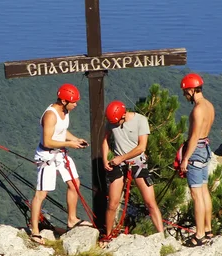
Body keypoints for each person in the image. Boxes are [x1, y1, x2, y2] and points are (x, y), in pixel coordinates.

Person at [29, 83, 91, 245]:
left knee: (74, 183)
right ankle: (34, 230)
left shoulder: (65, 111)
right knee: (41, 194)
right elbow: (48, 141)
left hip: (60, 153)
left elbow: (61, 130)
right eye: (73, 102)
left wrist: (74, 139)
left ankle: (72, 219)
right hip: (47, 155)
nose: (76, 104)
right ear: (63, 101)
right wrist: (70, 144)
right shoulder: (51, 115)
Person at [101, 100, 164, 240]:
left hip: (137, 163)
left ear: (124, 115)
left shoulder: (140, 120)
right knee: (112, 203)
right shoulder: (112, 120)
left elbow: (142, 147)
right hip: (119, 164)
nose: (115, 125)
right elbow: (105, 139)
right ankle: (108, 235)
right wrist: (105, 158)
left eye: (117, 122)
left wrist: (121, 158)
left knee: (150, 202)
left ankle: (161, 236)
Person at [180, 73, 215, 247]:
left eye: (186, 92)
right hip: (206, 148)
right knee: (204, 190)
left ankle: (199, 234)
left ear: (192, 90)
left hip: (196, 150)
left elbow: (194, 137)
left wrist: (185, 158)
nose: (185, 95)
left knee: (196, 195)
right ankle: (208, 230)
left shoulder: (198, 109)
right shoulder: (209, 105)